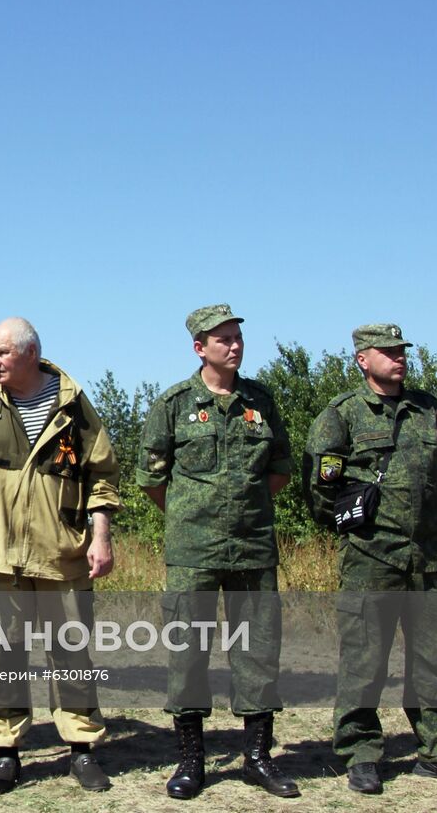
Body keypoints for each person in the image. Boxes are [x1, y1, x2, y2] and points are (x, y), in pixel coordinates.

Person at [0, 317, 121, 794]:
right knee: (0, 654)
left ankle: (81, 749)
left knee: (72, 654)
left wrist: (100, 537)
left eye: (1, 353)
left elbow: (102, 477)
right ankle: (5, 751)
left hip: (64, 555)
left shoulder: (73, 402)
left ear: (31, 352)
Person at [306, 323, 437, 794]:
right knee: (365, 659)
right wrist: (363, 528)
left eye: (402, 350)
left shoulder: (427, 409)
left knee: (433, 659)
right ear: (363, 359)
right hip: (370, 557)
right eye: (387, 352)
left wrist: (418, 521)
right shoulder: (342, 414)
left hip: (426, 555)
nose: (399, 358)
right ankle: (360, 753)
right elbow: (321, 487)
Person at [136, 304, 299, 799]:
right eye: (223, 338)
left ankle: (257, 757)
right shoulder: (174, 403)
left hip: (252, 547)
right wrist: (194, 514)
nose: (234, 345)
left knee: (258, 652)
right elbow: (151, 479)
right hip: (193, 551)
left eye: (237, 337)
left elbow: (280, 468)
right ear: (199, 347)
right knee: (188, 654)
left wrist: (243, 511)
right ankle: (191, 760)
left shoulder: (262, 401)